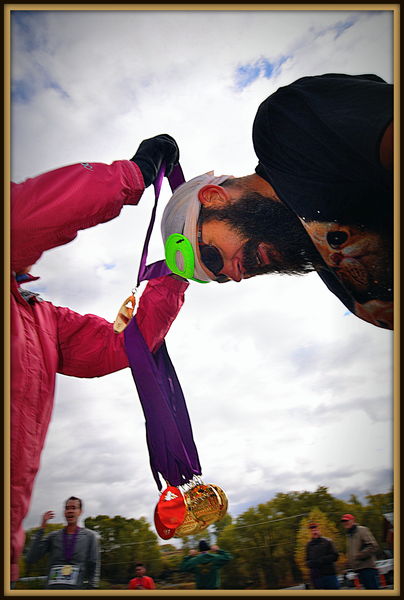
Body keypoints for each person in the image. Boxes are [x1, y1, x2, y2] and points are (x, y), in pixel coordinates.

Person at [10, 134, 187, 584]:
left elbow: (121, 343)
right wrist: (136, 175)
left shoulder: (40, 319)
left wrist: (180, 266)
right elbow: (23, 215)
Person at [161, 73, 393, 329]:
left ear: (214, 198)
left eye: (213, 257)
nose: (236, 275)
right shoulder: (341, 285)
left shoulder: (286, 131)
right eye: (223, 279)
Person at [25, 496, 100, 590]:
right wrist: (42, 528)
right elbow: (31, 558)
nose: (70, 511)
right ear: (64, 512)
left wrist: (92, 588)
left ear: (80, 512)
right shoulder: (53, 536)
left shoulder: (89, 536)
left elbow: (94, 564)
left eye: (74, 508)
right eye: (67, 508)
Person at [341, 513, 380, 589]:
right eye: (343, 521)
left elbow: (373, 546)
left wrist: (360, 555)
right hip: (359, 569)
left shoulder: (362, 530)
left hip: (367, 568)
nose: (345, 523)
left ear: (353, 521)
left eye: (347, 520)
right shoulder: (349, 535)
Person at [305, 522, 340, 589]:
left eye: (316, 530)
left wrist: (322, 560)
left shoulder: (328, 541)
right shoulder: (308, 545)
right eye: (312, 531)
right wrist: (311, 563)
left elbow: (335, 556)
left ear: (319, 530)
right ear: (310, 532)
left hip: (329, 574)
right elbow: (307, 561)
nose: (314, 532)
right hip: (317, 577)